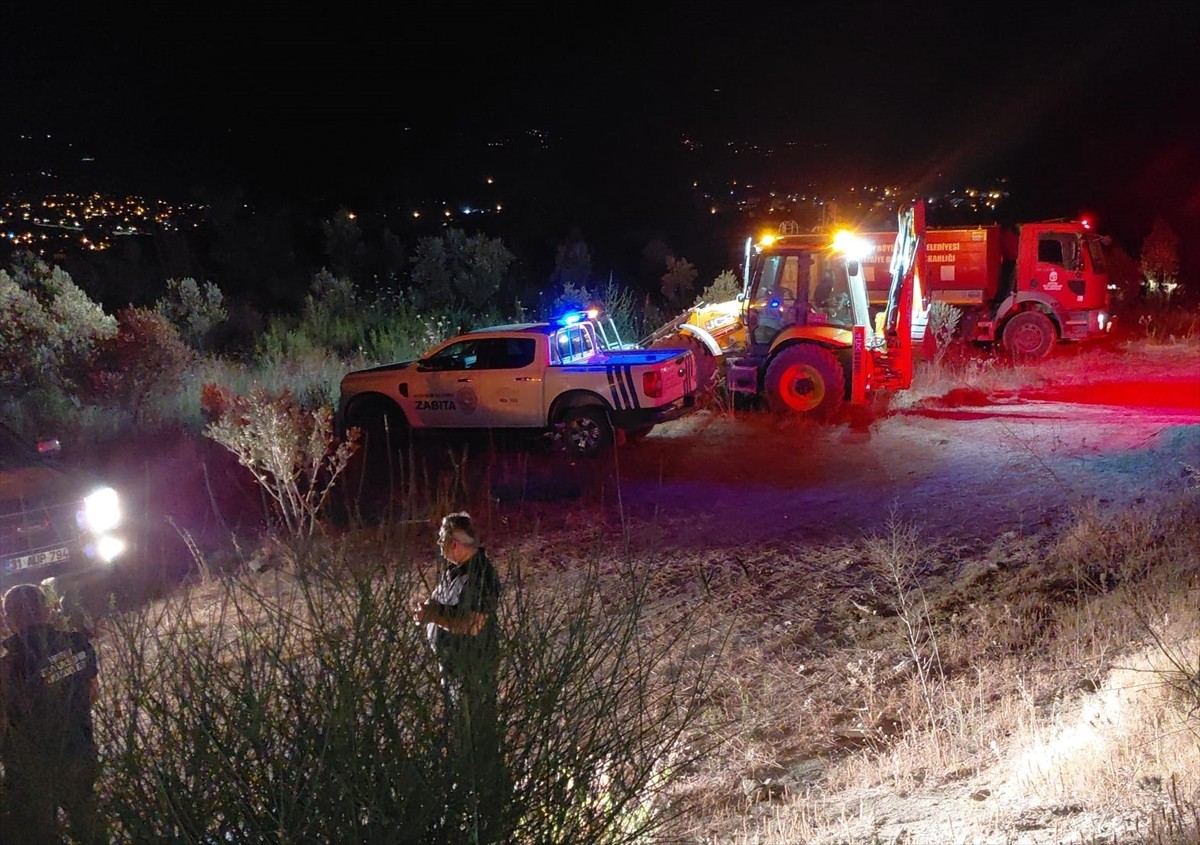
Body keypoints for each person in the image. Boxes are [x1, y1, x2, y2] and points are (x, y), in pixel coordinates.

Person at [413, 511, 506, 843]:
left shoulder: (480, 575)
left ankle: (487, 812)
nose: (438, 543)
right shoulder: (455, 573)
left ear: (454, 543)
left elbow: (472, 624)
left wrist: (432, 616)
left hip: (472, 675)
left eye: (442, 538)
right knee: (461, 738)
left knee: (476, 739)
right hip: (455, 673)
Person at [0, 583, 106, 845]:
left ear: (8, 620)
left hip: (30, 771)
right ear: (47, 611)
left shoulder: (7, 667)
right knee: (90, 828)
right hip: (79, 751)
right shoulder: (77, 645)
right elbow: (92, 693)